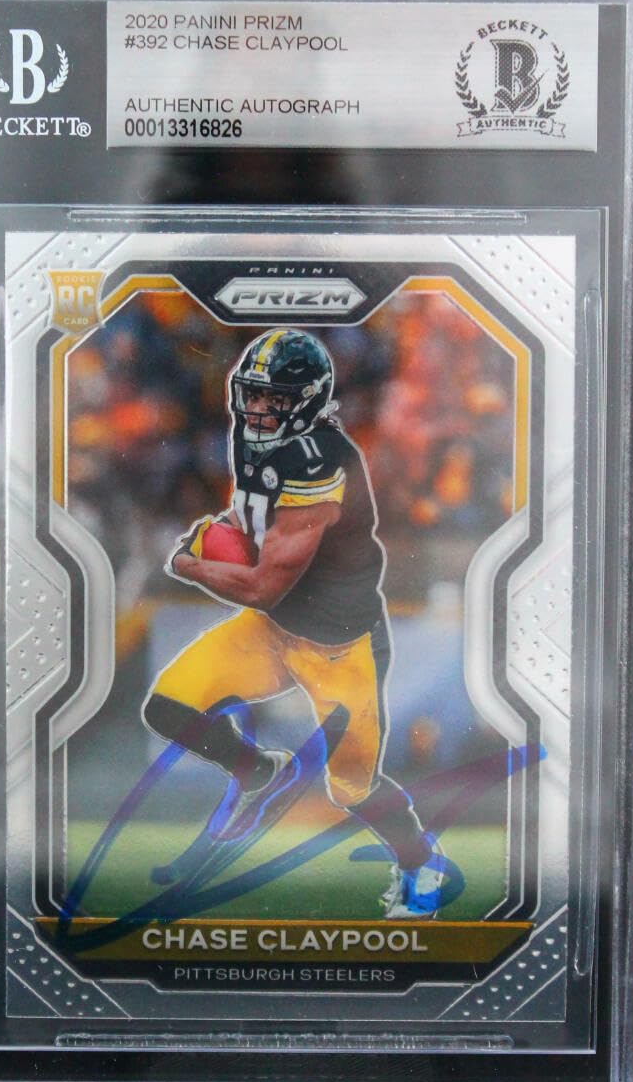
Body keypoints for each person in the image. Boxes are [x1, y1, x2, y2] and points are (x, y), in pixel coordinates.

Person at [142, 327, 439, 917]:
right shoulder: (255, 439)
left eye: (274, 399)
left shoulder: (319, 460)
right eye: (252, 394)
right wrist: (225, 529)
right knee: (168, 707)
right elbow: (256, 519)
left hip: (338, 645)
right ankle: (259, 770)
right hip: (276, 630)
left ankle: (419, 864)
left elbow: (263, 584)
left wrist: (191, 564)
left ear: (306, 401)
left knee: (352, 788)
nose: (257, 409)